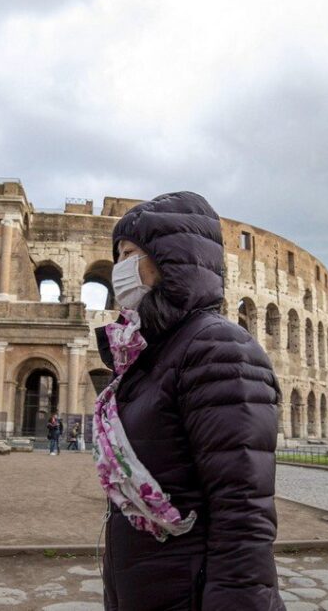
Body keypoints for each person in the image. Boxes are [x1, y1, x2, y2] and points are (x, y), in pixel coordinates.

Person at [95, 191, 285, 610]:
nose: (119, 269)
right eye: (117, 256)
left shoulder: (218, 350)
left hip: (190, 592)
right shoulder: (149, 354)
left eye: (129, 254)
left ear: (170, 259)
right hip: (155, 587)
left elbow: (242, 510)